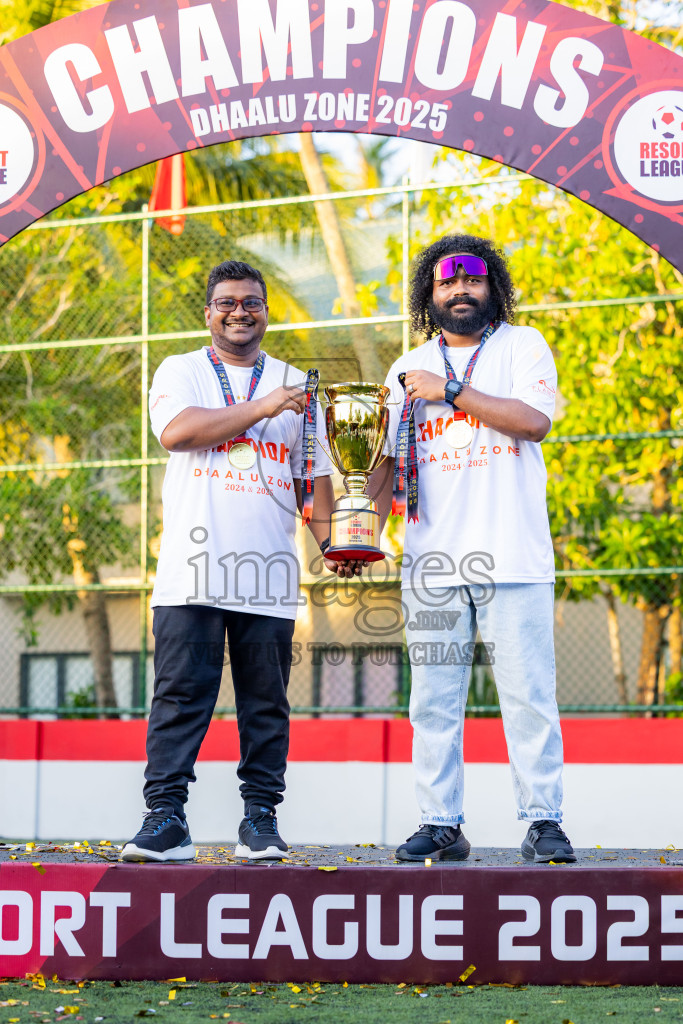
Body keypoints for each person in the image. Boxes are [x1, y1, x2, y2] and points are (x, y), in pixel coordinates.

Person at [122, 260, 353, 863]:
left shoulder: (296, 385)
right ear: (209, 313)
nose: (239, 312)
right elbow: (177, 432)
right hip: (192, 573)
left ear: (266, 311)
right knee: (179, 699)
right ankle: (166, 819)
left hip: (270, 575)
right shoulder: (183, 371)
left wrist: (335, 545)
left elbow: (315, 475)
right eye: (226, 302)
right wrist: (266, 405)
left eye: (251, 302)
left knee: (265, 705)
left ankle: (261, 820)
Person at [369, 234, 575, 864]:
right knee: (431, 700)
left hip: (513, 557)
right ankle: (440, 822)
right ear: (428, 295)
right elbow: (380, 461)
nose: (460, 290)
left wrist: (448, 390)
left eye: (472, 281)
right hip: (431, 563)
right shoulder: (405, 367)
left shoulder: (522, 346)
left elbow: (534, 422)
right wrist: (358, 536)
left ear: (493, 289)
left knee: (528, 696)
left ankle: (543, 821)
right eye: (446, 283)